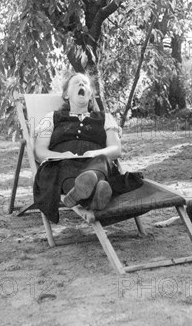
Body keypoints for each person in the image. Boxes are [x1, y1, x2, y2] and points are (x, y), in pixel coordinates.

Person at [33, 72, 143, 223]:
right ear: (66, 94)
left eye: (85, 83)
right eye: (76, 83)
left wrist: (95, 153)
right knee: (67, 169)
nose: (81, 85)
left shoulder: (105, 118)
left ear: (91, 94)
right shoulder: (51, 118)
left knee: (103, 159)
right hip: (63, 165)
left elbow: (116, 149)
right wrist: (62, 156)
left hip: (96, 164)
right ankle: (95, 194)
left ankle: (85, 190)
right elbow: (39, 152)